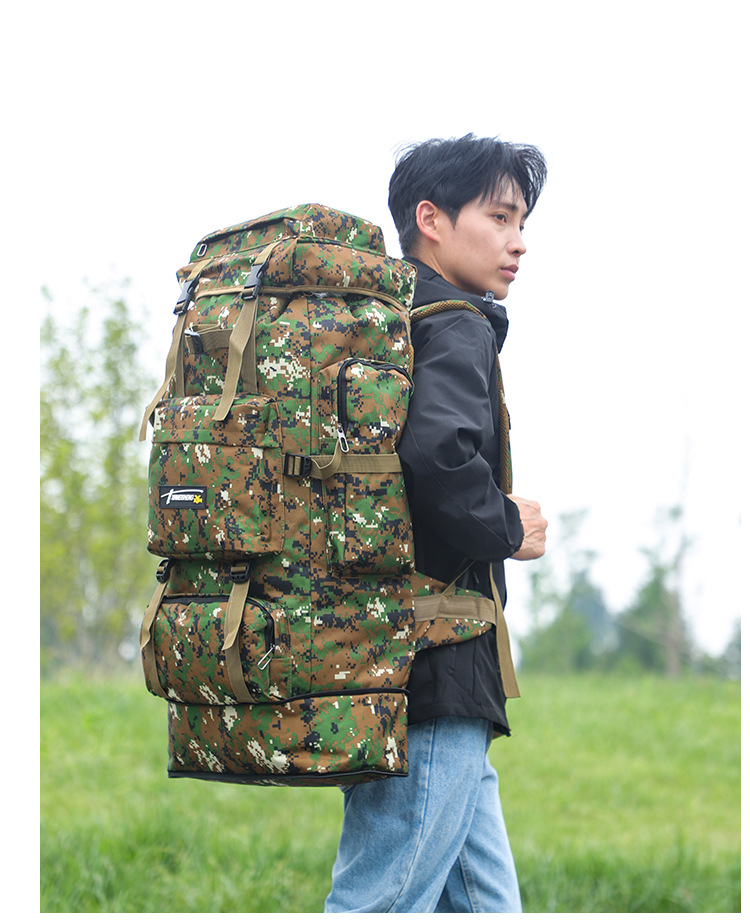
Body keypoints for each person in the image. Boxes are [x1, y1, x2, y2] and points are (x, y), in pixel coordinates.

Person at [325, 134, 549, 913]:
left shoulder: (389, 321)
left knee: (488, 905)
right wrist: (507, 526)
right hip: (435, 657)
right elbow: (439, 459)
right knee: (380, 901)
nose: (519, 242)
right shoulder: (454, 322)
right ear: (431, 219)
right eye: (499, 217)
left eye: (523, 222)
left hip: (403, 654)